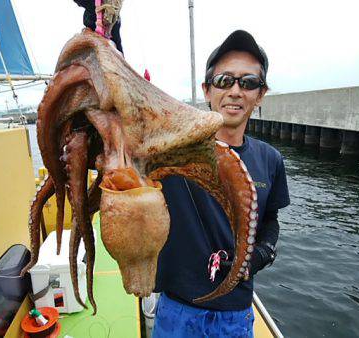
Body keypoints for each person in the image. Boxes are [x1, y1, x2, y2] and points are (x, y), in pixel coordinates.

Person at [153, 30, 290, 337]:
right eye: (224, 80)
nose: (235, 90)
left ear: (261, 93)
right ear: (207, 90)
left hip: (235, 314)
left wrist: (262, 253)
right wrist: (109, 38)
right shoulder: (170, 151)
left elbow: (270, 220)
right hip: (177, 309)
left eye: (248, 82)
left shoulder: (270, 160)